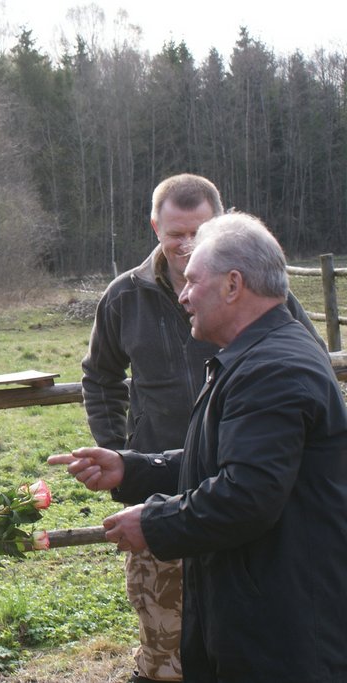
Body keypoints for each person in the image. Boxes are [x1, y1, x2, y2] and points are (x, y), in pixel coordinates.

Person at [53, 212, 347, 682]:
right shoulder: (254, 356)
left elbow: (245, 496)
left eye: (193, 282)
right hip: (261, 602)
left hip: (282, 626)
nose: (183, 295)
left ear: (233, 285)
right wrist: (134, 468)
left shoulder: (273, 370)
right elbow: (225, 460)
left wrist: (153, 522)